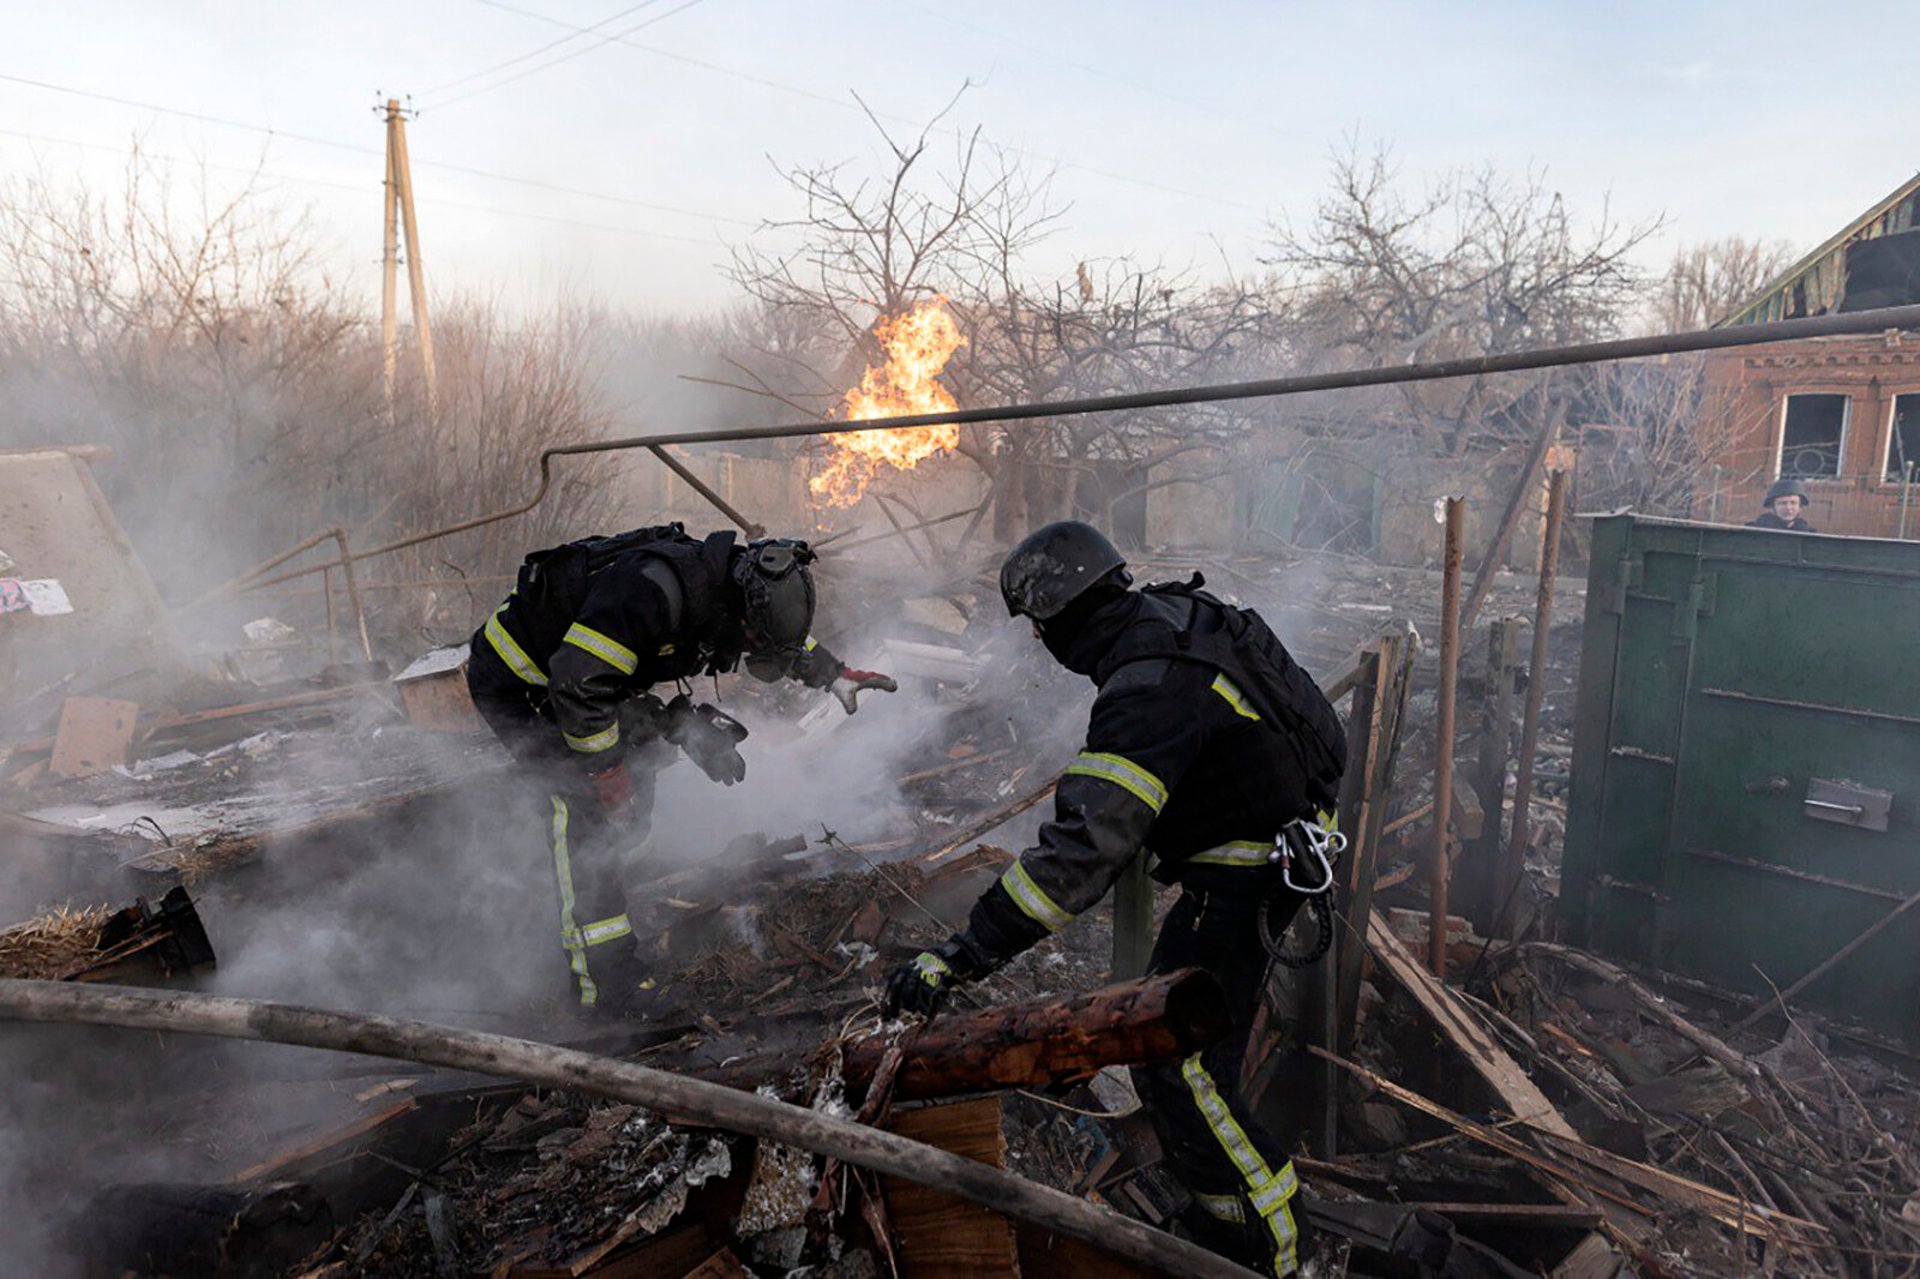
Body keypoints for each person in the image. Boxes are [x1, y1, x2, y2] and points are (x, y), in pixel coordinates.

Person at [882, 521, 1346, 1278]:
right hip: (1283, 840)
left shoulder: (1145, 688)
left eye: (1038, 627)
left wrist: (962, 953)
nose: (1038, 641)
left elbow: (1082, 855)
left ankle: (1269, 1252)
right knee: (1185, 1054)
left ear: (1063, 620)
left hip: (1248, 870)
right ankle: (1231, 1215)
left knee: (1181, 1060)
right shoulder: (1172, 615)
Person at [467, 522, 896, 1015]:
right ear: (743, 606)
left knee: (634, 779)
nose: (751, 648)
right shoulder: (651, 591)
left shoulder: (725, 588)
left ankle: (589, 891)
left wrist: (833, 673)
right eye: (752, 638)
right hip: (526, 682)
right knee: (579, 806)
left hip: (589, 680)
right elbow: (576, 683)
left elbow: (771, 636)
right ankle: (604, 988)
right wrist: (605, 771)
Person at [1747, 477, 1817, 532]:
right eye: (1782, 503)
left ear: (1800, 507)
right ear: (1773, 507)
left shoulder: (1809, 536)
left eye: (1793, 503)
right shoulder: (1754, 532)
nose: (1788, 508)